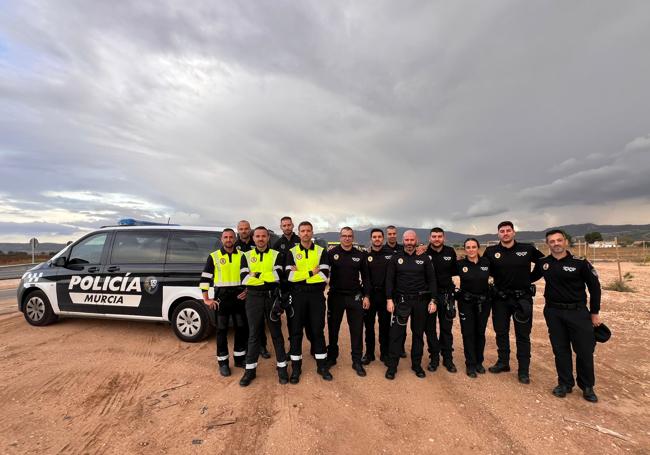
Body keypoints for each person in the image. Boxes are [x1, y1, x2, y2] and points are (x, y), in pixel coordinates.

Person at [532, 230, 602, 402]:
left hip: (578, 312)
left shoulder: (580, 263)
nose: (556, 243)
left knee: (584, 350)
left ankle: (587, 387)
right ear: (547, 244)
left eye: (559, 240)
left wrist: (594, 313)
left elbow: (595, 288)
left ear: (565, 242)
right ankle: (564, 383)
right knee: (560, 350)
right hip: (553, 312)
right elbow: (528, 278)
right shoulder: (543, 263)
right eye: (552, 241)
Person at [483, 221, 544, 384]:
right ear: (498, 234)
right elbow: (481, 268)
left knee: (522, 335)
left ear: (514, 232)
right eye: (502, 231)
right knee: (501, 332)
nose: (505, 233)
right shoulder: (490, 251)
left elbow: (544, 263)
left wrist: (531, 278)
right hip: (500, 298)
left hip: (522, 299)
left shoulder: (527, 249)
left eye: (508, 230)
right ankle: (503, 362)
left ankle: (523, 370)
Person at [239, 226, 290, 386]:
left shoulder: (277, 255)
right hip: (253, 298)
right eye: (257, 236)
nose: (260, 239)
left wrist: (256, 275)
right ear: (253, 238)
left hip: (270, 298)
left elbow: (277, 277)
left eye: (263, 236)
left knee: (276, 334)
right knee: (254, 335)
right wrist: (263, 277)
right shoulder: (246, 256)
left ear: (268, 238)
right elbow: (244, 279)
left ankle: (282, 369)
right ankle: (250, 371)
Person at [384, 230, 438, 380]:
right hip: (401, 302)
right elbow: (389, 280)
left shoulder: (424, 258)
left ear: (416, 241)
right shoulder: (396, 258)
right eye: (406, 240)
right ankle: (392, 367)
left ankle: (416, 365)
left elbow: (432, 280)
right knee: (396, 334)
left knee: (418, 334)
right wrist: (389, 299)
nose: (409, 243)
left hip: (421, 302)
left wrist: (433, 300)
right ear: (403, 241)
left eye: (411, 240)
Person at [285, 221, 333, 383]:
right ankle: (296, 369)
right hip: (297, 297)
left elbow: (324, 276)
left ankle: (322, 366)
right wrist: (311, 272)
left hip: (316, 297)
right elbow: (289, 277)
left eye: (308, 230)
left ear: (312, 233)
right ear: (299, 233)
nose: (305, 233)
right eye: (303, 231)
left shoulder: (321, 251)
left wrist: (301, 276)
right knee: (296, 332)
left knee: (317, 331)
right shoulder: (291, 251)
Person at [199, 228, 248, 377]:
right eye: (225, 237)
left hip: (239, 298)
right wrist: (206, 298)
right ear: (221, 239)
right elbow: (205, 278)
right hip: (222, 299)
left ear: (235, 239)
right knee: (221, 331)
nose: (228, 239)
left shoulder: (243, 255)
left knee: (241, 328)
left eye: (231, 237)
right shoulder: (214, 256)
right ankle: (223, 363)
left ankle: (239, 359)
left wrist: (247, 290)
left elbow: (250, 275)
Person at [326, 227, 370, 376]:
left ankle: (356, 361)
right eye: (344, 236)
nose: (347, 238)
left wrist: (367, 296)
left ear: (353, 237)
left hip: (354, 297)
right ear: (340, 237)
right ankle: (332, 357)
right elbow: (322, 271)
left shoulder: (360, 255)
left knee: (356, 330)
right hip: (336, 297)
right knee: (333, 329)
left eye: (349, 236)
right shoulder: (331, 253)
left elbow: (366, 278)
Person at [456, 238, 492, 377]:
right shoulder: (459, 264)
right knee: (468, 333)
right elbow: (443, 273)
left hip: (483, 303)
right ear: (465, 249)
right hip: (466, 303)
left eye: (473, 247)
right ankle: (470, 364)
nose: (471, 249)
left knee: (480, 333)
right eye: (468, 247)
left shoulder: (487, 263)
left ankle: (479, 362)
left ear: (478, 248)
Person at [425, 227, 459, 373]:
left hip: (446, 296)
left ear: (443, 238)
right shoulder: (424, 253)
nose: (437, 239)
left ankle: (448, 358)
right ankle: (434, 358)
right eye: (434, 236)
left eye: (439, 236)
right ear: (429, 238)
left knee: (446, 329)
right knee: (430, 329)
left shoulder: (450, 252)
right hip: (429, 297)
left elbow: (455, 270)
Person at [235, 219, 271, 359]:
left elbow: (265, 269)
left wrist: (251, 284)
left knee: (259, 321)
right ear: (238, 230)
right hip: (239, 289)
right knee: (242, 322)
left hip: (255, 289)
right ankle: (245, 349)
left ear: (250, 230)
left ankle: (262, 347)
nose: (244, 231)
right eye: (241, 228)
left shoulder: (256, 242)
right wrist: (242, 288)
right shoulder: (235, 245)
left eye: (246, 228)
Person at [362, 228, 394, 365]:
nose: (377, 239)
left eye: (379, 236)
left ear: (383, 238)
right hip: (370, 296)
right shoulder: (366, 255)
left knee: (385, 326)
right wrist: (367, 296)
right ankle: (369, 354)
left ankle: (385, 354)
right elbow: (365, 278)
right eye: (374, 237)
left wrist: (389, 298)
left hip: (385, 296)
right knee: (369, 326)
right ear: (371, 239)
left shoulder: (390, 255)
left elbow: (391, 278)